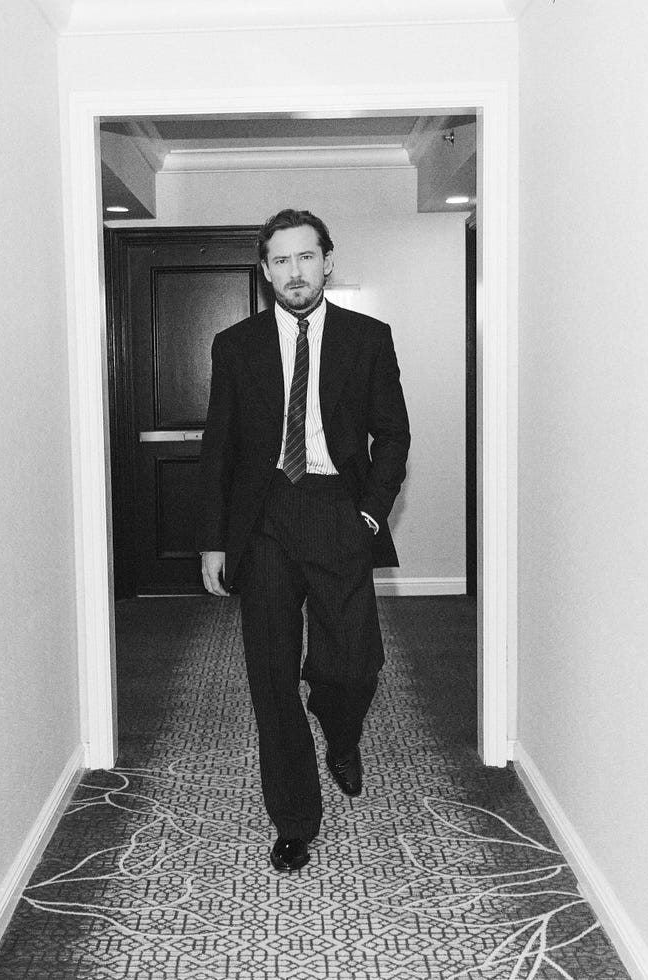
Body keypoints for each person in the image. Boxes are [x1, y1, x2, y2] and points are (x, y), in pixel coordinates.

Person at [197, 208, 411, 872]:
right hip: (262, 519)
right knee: (269, 674)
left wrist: (371, 513)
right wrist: (213, 541)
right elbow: (219, 450)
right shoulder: (234, 347)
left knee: (352, 664)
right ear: (266, 272)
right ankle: (294, 817)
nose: (295, 272)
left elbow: (392, 435)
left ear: (327, 261)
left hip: (337, 508)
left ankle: (341, 732)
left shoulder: (368, 338)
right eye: (281, 261)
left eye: (306, 257)